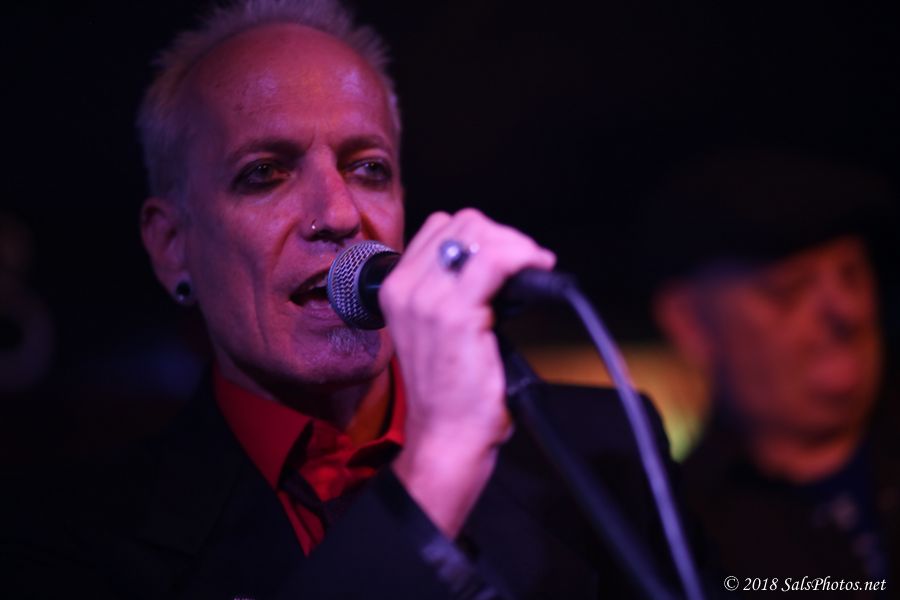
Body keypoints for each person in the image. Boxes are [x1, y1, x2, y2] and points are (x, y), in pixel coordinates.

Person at [3, 1, 693, 598]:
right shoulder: (68, 537)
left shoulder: (600, 447)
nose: (338, 213)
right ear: (172, 246)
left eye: (368, 169)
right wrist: (437, 463)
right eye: (264, 173)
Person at [650, 149, 900, 590]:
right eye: (789, 289)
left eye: (852, 274)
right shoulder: (675, 540)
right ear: (690, 322)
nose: (845, 310)